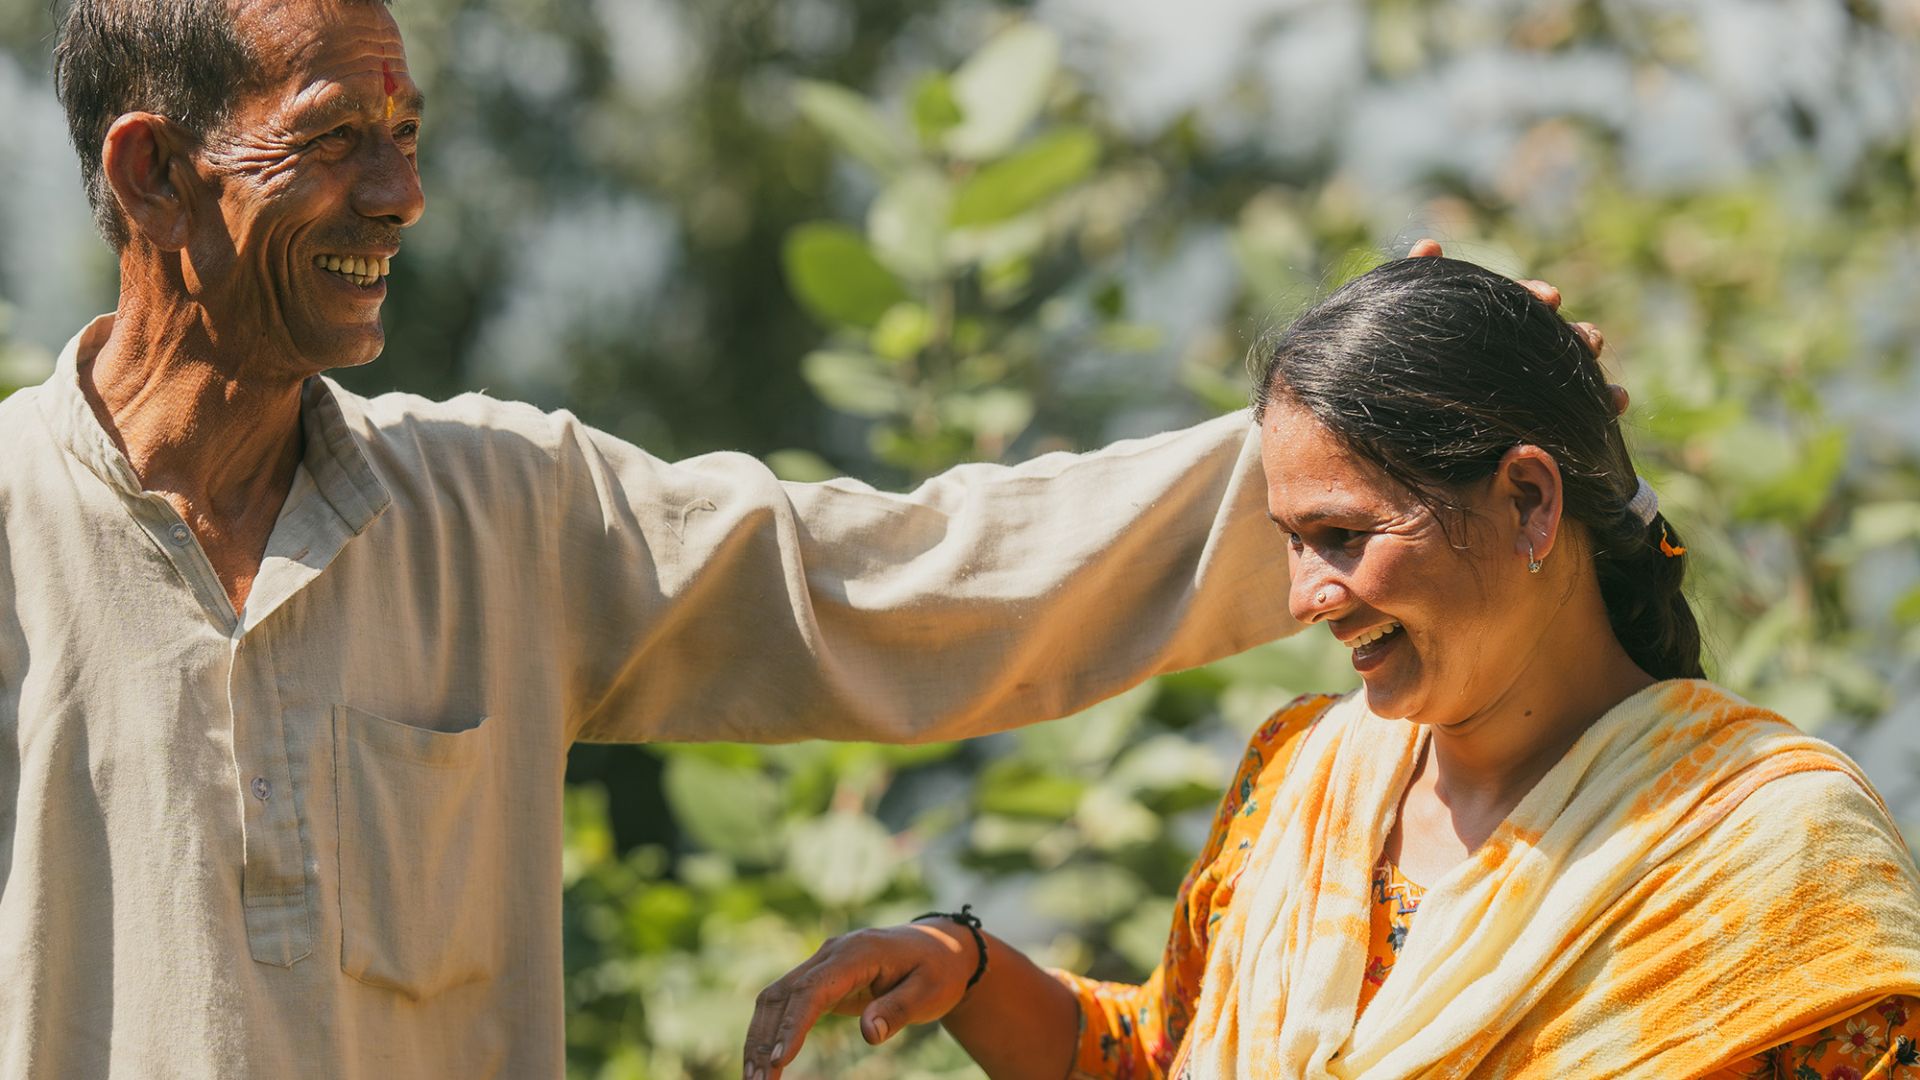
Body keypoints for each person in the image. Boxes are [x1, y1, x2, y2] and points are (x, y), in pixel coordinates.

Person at [0, 0, 1609, 1074]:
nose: (402, 191)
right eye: (336, 135)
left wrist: (1349, 461)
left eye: (408, 131)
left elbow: (902, 583)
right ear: (154, 175)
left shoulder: (497, 510)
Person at [741, 257, 1920, 1079]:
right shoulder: (1301, 779)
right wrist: (965, 965)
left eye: (1345, 536)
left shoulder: (1774, 855)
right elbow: (1169, 1052)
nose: (1308, 596)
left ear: (1528, 501)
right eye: (1292, 544)